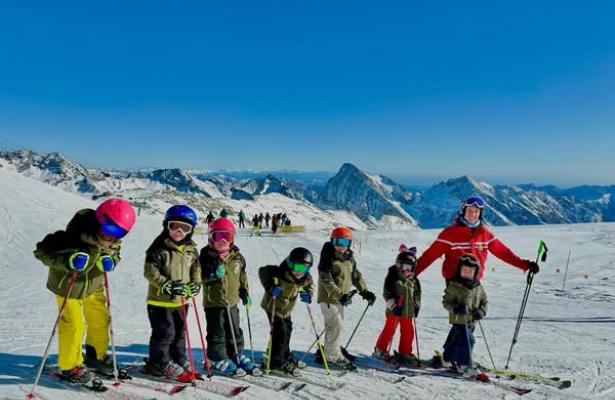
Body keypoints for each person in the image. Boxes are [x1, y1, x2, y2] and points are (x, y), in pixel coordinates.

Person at [33, 198, 136, 383]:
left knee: (100, 318)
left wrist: (112, 261)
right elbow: (41, 252)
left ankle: (96, 356)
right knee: (74, 324)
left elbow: (116, 253)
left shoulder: (113, 243)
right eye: (110, 228)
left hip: (94, 285)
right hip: (68, 287)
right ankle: (70, 365)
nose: (112, 236)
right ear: (99, 219)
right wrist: (68, 261)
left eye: (120, 232)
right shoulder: (72, 237)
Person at [415, 196, 540, 283]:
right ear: (463, 212)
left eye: (476, 212)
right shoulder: (450, 234)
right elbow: (429, 256)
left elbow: (503, 253)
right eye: (470, 211)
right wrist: (411, 274)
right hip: (454, 282)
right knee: (461, 320)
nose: (473, 214)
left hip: (475, 281)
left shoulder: (484, 234)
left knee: (474, 317)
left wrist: (525, 265)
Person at [142, 205, 202, 382]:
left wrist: (195, 285)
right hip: (160, 301)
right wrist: (166, 285)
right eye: (174, 226)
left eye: (185, 228)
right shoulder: (158, 247)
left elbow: (196, 270)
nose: (179, 231)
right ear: (166, 225)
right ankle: (159, 363)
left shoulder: (191, 249)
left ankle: (177, 357)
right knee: (164, 333)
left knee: (180, 332)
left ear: (190, 231)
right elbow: (150, 272)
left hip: (182, 301)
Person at [199, 218, 256, 375]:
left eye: (227, 236)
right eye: (218, 236)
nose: (223, 240)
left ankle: (235, 354)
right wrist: (212, 274)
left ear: (233, 239)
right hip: (214, 303)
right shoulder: (205, 257)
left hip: (232, 302)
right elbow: (198, 277)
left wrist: (244, 291)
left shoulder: (237, 258)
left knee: (235, 331)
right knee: (217, 333)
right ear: (211, 238)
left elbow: (242, 276)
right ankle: (216, 359)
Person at [315, 227, 376, 370]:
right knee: (336, 326)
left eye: (344, 242)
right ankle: (332, 357)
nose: (340, 245)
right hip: (329, 298)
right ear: (332, 241)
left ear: (349, 243)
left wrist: (365, 292)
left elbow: (356, 276)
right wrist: (340, 295)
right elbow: (326, 280)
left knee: (337, 327)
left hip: (341, 299)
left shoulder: (349, 259)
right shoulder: (327, 257)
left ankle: (331, 350)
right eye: (337, 241)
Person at [259, 248, 314, 376]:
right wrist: (269, 286)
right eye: (298, 267)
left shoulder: (304, 278)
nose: (300, 272)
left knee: (288, 329)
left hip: (286, 309)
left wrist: (309, 294)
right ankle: (276, 361)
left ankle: (284, 355)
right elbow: (262, 271)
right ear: (290, 263)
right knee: (280, 331)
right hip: (272, 306)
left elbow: (309, 285)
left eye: (305, 268)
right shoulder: (278, 272)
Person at [373, 245, 421, 365]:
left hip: (407, 311)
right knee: (389, 329)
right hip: (395, 309)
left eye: (410, 267)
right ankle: (380, 349)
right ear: (399, 265)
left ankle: (405, 352)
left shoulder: (414, 280)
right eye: (405, 267)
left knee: (408, 331)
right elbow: (387, 293)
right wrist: (393, 306)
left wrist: (416, 306)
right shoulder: (393, 276)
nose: (407, 270)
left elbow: (417, 294)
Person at [441, 254, 488, 373]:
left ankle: (447, 357)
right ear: (459, 270)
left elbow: (485, 301)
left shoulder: (478, 287)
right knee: (468, 340)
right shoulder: (454, 286)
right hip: (459, 320)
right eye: (464, 270)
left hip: (472, 320)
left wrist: (482, 311)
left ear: (475, 272)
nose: (467, 273)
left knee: (458, 339)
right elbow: (446, 302)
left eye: (470, 271)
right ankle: (464, 364)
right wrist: (456, 308)